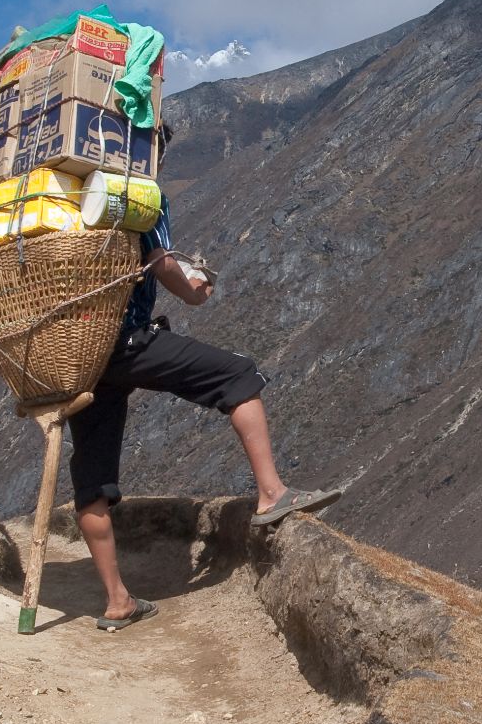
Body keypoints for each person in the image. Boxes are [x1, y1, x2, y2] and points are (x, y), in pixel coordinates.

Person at [66, 188, 339, 630]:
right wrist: (196, 290)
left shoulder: (61, 203)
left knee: (92, 477)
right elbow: (159, 259)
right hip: (127, 340)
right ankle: (272, 494)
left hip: (76, 355)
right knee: (237, 376)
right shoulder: (136, 193)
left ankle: (117, 601)